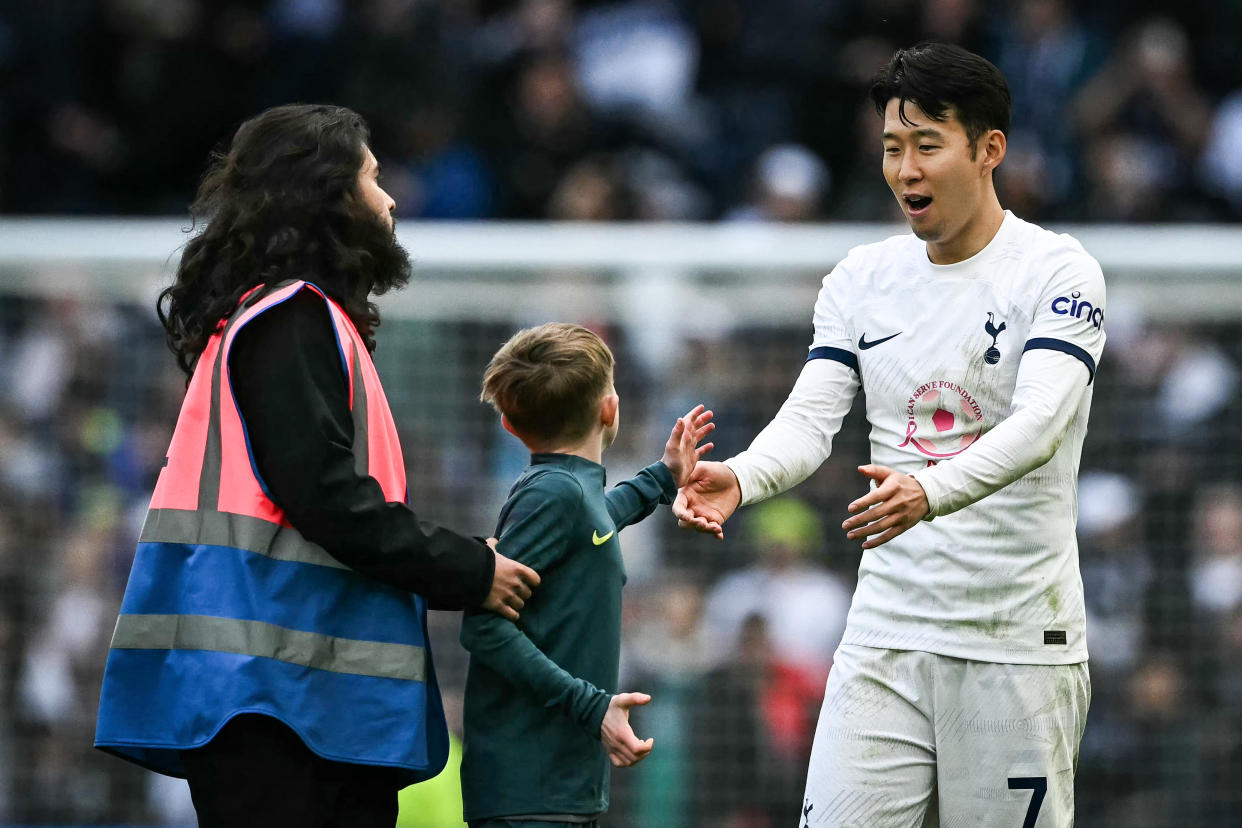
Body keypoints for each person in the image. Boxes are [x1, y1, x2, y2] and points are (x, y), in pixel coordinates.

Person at [675, 42, 1105, 826]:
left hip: (1014, 642)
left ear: (989, 151)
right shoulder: (861, 278)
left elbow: (1040, 422)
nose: (906, 168)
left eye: (927, 146)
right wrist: (741, 476)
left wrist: (929, 489)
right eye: (891, 148)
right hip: (886, 634)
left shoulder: (1058, 273)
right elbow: (810, 421)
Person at [93, 103, 541, 828]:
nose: (392, 198)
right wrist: (470, 570)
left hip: (293, 702)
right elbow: (329, 499)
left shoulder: (282, 319)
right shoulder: (287, 319)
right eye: (374, 176)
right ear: (329, 193)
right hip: (276, 703)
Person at [460, 322, 714, 828]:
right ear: (609, 409)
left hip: (557, 784)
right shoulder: (550, 493)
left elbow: (594, 522)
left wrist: (660, 479)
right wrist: (590, 706)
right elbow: (484, 626)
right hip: (530, 787)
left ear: (510, 426)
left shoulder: (568, 491)